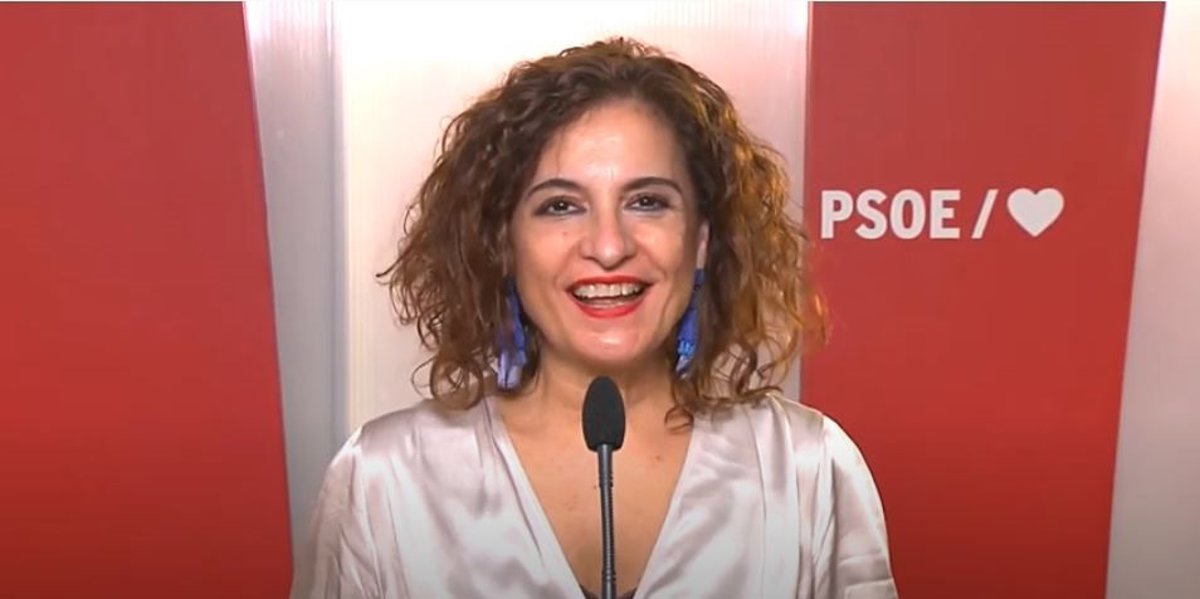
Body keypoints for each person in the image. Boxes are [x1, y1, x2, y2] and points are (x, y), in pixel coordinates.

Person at [292, 37, 897, 599]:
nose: (608, 247)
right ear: (502, 245)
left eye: (647, 202)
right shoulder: (384, 480)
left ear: (702, 241)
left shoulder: (807, 469)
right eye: (560, 206)